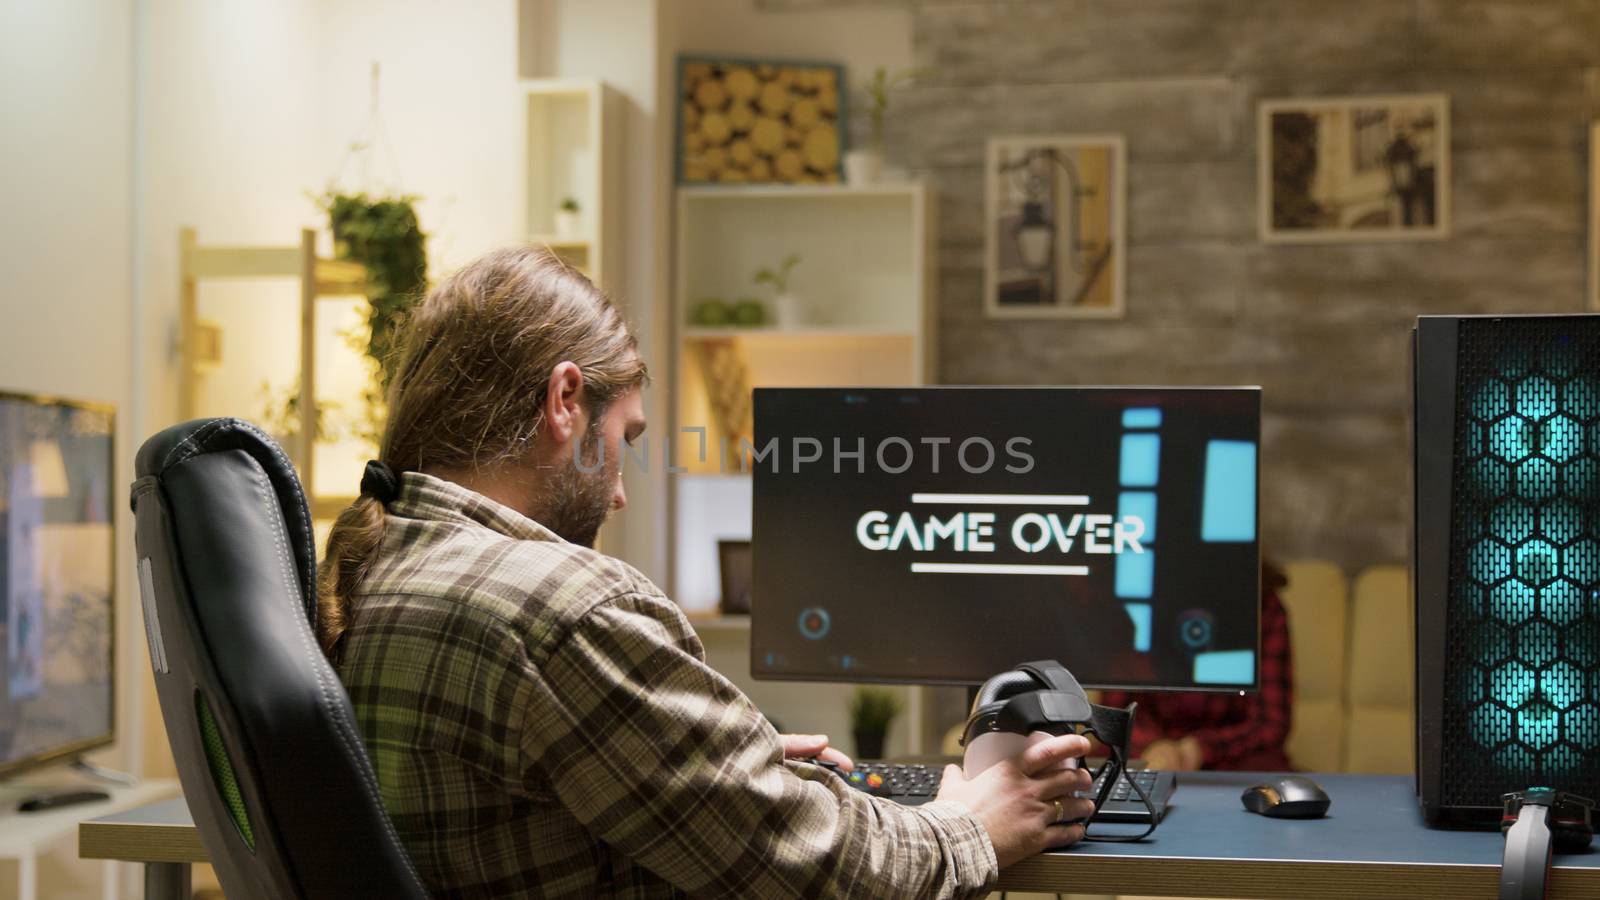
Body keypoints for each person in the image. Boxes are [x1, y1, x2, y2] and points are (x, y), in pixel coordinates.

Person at [315, 246, 1094, 899]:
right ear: (564, 400)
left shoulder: (370, 569)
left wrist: (720, 773)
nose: (619, 490)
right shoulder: (564, 612)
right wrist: (971, 824)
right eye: (628, 436)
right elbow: (838, 876)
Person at [1099, 562, 1293, 772]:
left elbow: (1271, 723)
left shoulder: (1262, 605)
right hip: (1149, 755)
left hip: (1234, 761)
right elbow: (1112, 716)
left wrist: (1200, 748)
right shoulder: (1136, 601)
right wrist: (1154, 746)